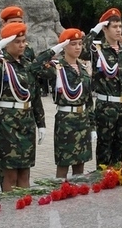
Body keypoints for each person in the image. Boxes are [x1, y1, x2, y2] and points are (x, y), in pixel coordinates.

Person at [0, 22, 46, 191]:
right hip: (7, 125)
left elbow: (35, 95)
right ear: (7, 43)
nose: (22, 45)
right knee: (10, 174)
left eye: (24, 41)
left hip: (26, 122)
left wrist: (41, 123)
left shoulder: (27, 65)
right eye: (17, 41)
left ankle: (24, 208)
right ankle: (9, 211)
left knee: (25, 172)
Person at [83, 8, 122, 167]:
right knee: (104, 151)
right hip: (105, 107)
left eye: (120, 26)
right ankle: (103, 184)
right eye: (114, 26)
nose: (118, 30)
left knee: (120, 151)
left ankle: (119, 185)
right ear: (105, 28)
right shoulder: (97, 50)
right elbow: (82, 52)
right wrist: (95, 30)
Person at [35, 28, 94, 178]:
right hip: (65, 120)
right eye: (73, 44)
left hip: (83, 120)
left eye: (80, 44)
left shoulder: (83, 69)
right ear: (64, 46)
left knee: (80, 166)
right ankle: (61, 196)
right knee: (63, 165)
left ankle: (77, 195)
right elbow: (35, 67)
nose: (78, 47)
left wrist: (92, 126)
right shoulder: (56, 67)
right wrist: (54, 50)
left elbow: (88, 100)